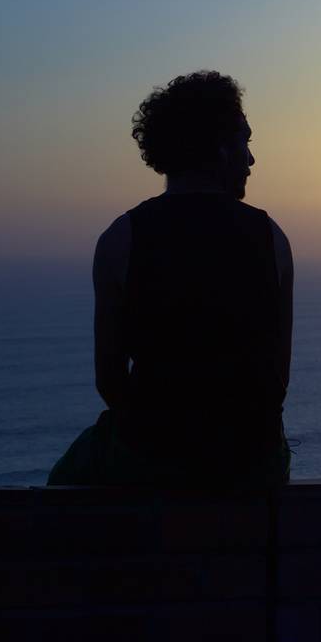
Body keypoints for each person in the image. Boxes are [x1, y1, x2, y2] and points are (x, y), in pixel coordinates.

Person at [49, 70, 295, 489]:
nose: (251, 159)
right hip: (249, 461)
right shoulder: (271, 239)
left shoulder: (119, 239)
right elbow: (276, 379)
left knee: (62, 486)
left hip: (150, 455)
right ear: (220, 147)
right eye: (245, 141)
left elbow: (109, 378)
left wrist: (161, 440)